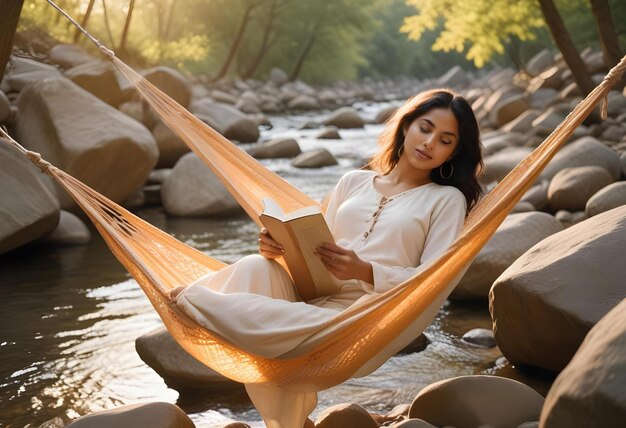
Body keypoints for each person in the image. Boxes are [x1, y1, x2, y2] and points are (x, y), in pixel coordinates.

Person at [169, 88, 483, 427]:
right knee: (253, 266)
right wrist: (279, 247)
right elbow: (316, 248)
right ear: (406, 126)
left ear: (453, 153)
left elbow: (432, 281)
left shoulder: (445, 200)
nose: (430, 142)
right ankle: (291, 422)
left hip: (365, 316)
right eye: (425, 128)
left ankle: (195, 302)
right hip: (313, 300)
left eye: (446, 140)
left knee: (298, 325)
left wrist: (365, 271)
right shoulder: (353, 182)